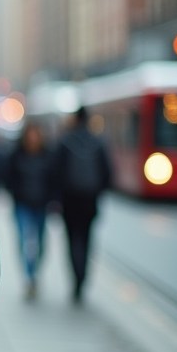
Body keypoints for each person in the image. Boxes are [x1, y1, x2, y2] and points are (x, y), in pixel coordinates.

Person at [53, 107, 111, 303]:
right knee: (87, 240)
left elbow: (56, 172)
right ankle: (83, 278)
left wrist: (57, 198)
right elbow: (107, 174)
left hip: (69, 201)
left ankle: (75, 277)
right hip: (90, 200)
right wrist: (97, 192)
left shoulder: (65, 141)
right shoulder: (98, 142)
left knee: (72, 240)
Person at [5, 123, 53, 301]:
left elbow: (53, 178)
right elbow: (8, 176)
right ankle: (29, 275)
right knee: (25, 239)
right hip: (22, 204)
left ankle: (34, 270)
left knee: (39, 241)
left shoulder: (48, 155)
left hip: (41, 205)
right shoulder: (16, 155)